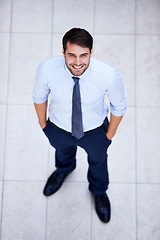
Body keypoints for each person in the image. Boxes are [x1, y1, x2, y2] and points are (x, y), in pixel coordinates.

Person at [33, 28, 126, 223]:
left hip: (95, 131)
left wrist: (108, 136)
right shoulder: (47, 69)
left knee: (98, 162)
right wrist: (44, 125)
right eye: (72, 55)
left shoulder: (109, 75)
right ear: (63, 52)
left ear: (91, 52)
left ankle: (99, 191)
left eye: (83, 55)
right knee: (62, 152)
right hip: (58, 127)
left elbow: (119, 106)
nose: (77, 62)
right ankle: (64, 170)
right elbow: (39, 96)